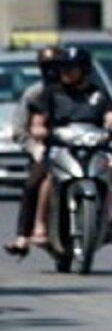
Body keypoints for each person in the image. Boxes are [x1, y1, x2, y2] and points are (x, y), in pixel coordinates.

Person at [27, 46, 112, 254]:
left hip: (93, 147)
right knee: (49, 179)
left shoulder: (97, 93)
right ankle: (40, 225)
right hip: (61, 149)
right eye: (64, 68)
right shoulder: (51, 92)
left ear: (84, 69)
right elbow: (38, 120)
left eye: (72, 68)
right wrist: (39, 130)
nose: (66, 72)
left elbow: (111, 116)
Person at [5, 47, 62, 256]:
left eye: (57, 66)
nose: (53, 71)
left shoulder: (79, 91)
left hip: (78, 149)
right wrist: (35, 147)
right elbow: (19, 130)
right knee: (33, 183)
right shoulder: (34, 93)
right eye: (47, 67)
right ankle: (23, 236)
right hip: (47, 151)